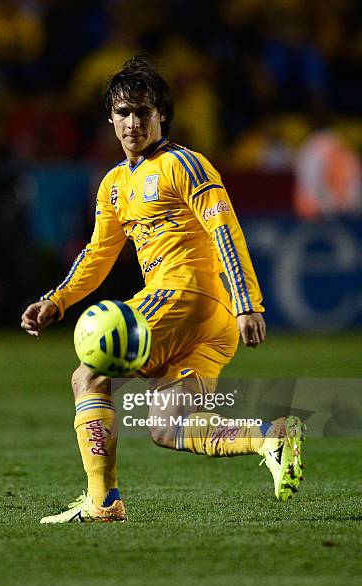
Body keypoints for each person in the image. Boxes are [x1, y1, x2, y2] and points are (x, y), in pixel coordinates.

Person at [21, 57, 305, 524]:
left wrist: (248, 302)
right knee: (169, 427)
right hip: (206, 321)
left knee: (87, 377)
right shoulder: (114, 185)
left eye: (144, 112)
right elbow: (98, 253)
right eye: (124, 112)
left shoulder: (183, 164)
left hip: (182, 295)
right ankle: (271, 436)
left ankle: (103, 503)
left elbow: (224, 230)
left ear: (162, 116)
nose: (133, 123)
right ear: (110, 119)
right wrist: (58, 300)